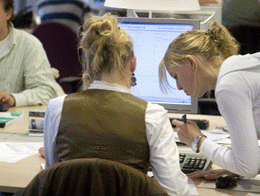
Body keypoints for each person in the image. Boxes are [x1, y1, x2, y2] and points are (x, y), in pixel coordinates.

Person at [159, 21, 260, 196]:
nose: (178, 87)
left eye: (175, 76)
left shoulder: (229, 86)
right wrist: (234, 169)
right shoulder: (239, 71)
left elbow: (248, 167)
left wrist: (198, 141)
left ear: (191, 62)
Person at [43, 13, 192, 195]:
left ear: (88, 68)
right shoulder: (152, 116)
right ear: (133, 63)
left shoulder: (57, 108)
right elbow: (174, 191)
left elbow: (52, 177)